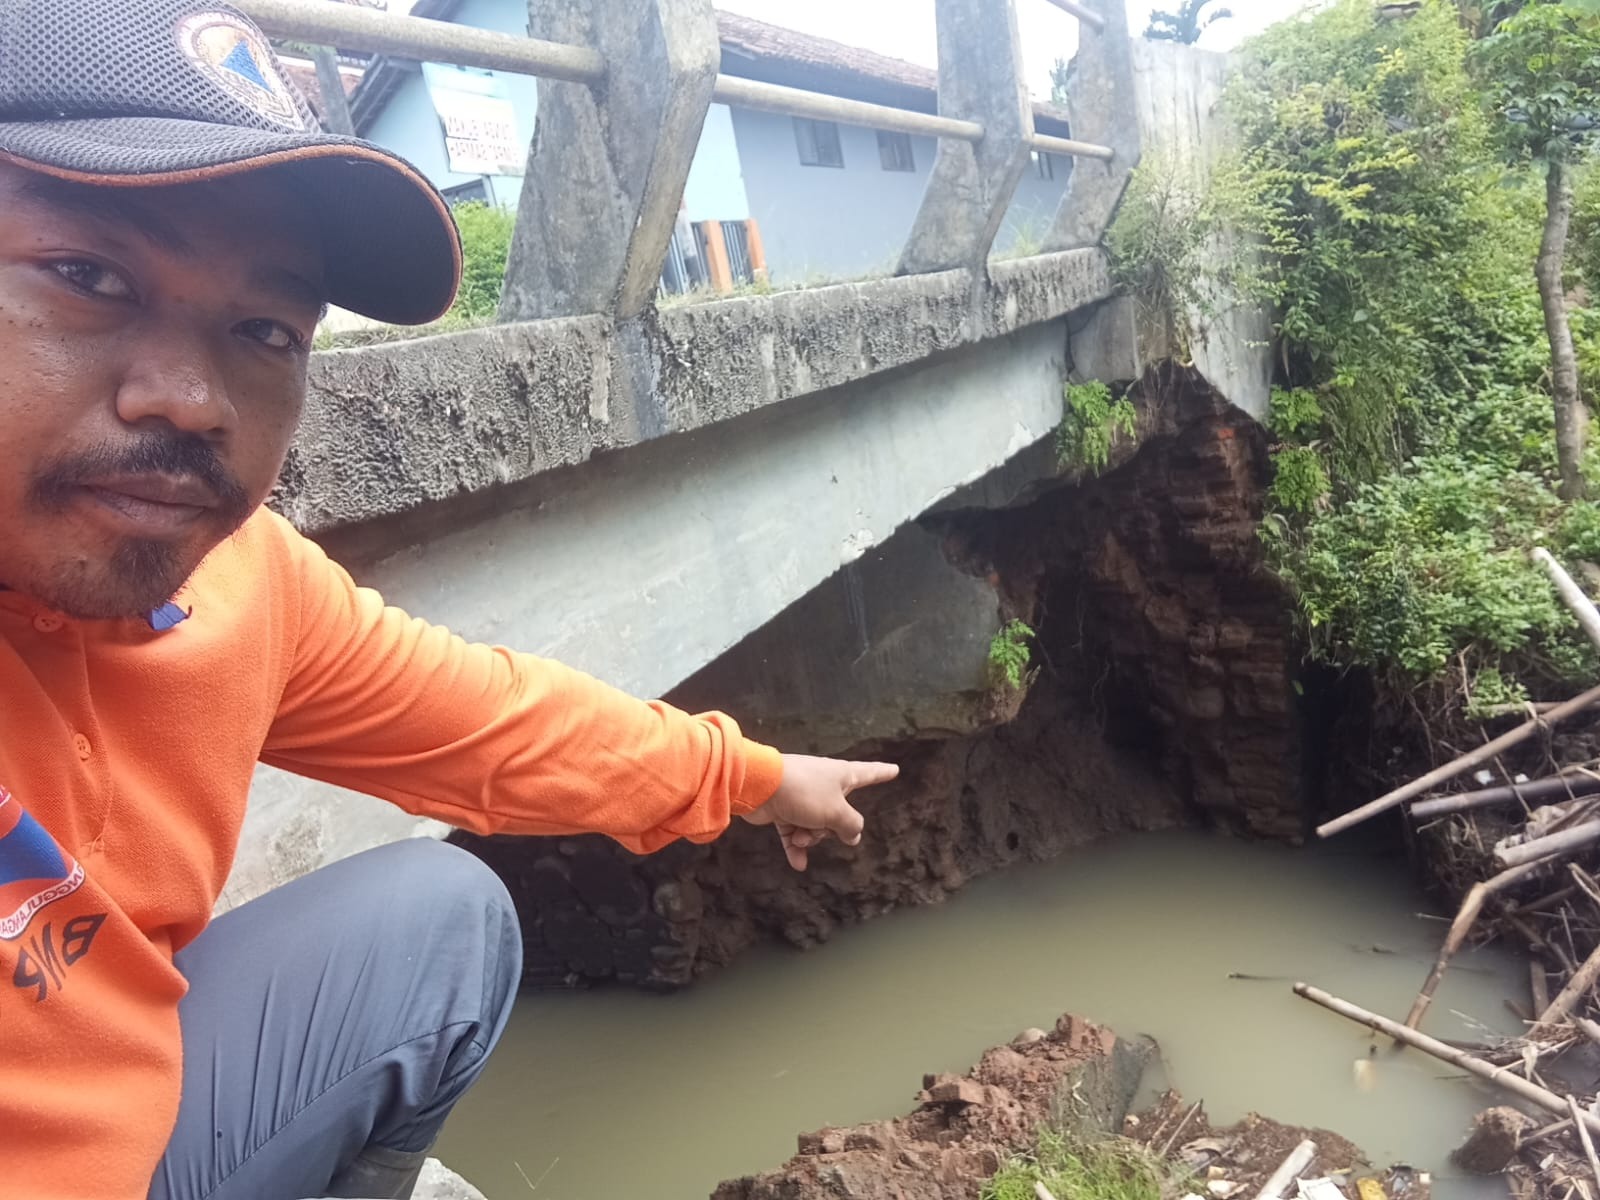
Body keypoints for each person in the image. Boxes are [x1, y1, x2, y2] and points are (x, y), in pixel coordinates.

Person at [0, 2, 898, 1198]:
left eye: (265, 328)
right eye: (88, 274)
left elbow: (497, 721)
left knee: (442, 918)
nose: (191, 399)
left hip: (119, 1108)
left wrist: (753, 777)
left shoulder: (244, 581)